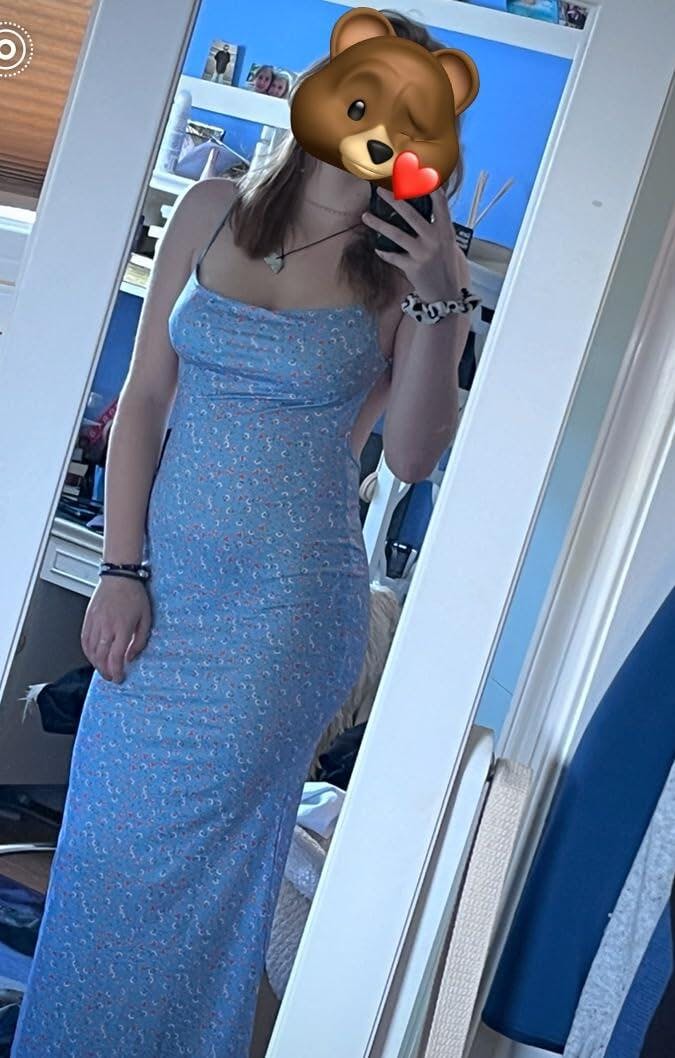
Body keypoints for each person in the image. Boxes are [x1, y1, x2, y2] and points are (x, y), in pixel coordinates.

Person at [9, 11, 474, 1058]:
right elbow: (144, 399)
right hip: (163, 590)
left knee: (206, 888)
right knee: (103, 854)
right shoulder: (213, 208)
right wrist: (120, 567)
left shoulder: (405, 276)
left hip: (281, 619)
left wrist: (443, 301)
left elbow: (410, 457)